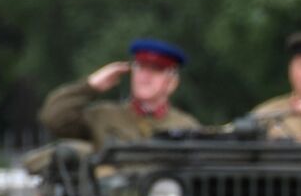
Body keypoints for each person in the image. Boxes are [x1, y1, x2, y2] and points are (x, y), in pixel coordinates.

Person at [39, 39, 199, 148]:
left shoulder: (186, 127)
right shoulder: (103, 116)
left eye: (155, 70)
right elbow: (53, 117)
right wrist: (90, 86)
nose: (145, 76)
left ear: (172, 82)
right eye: (141, 67)